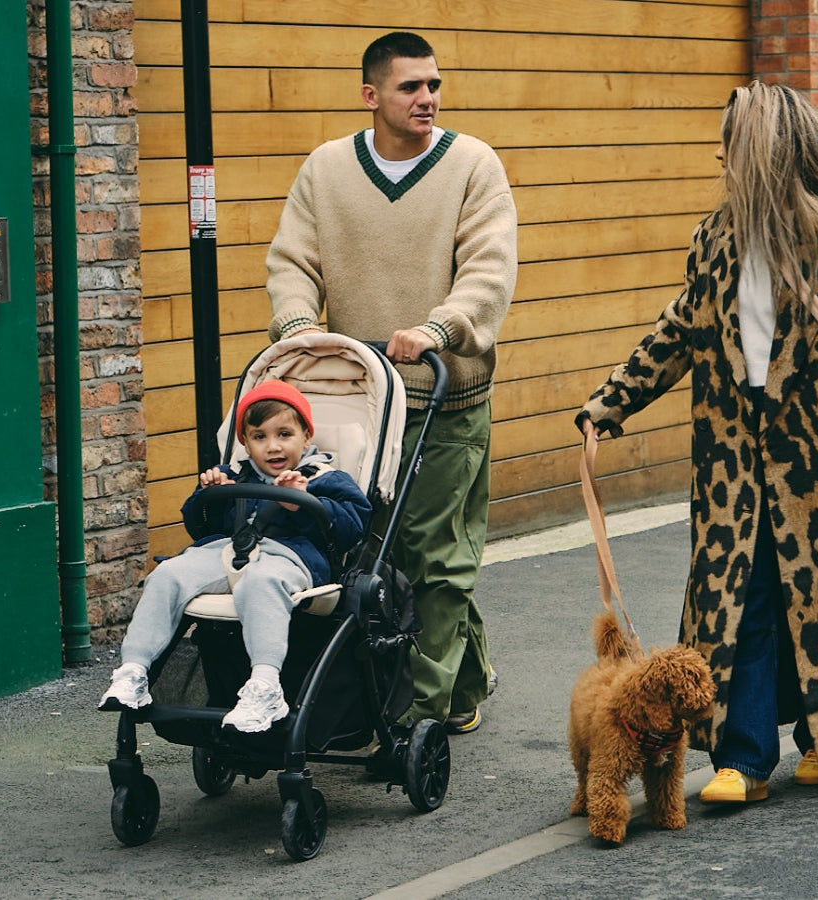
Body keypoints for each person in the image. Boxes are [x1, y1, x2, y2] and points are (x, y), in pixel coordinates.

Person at [576, 82, 818, 802]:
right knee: (738, 600)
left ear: (762, 150)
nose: (717, 152)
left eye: (728, 140)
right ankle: (742, 760)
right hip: (733, 456)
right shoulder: (714, 237)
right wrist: (609, 404)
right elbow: (681, 330)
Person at [263, 32, 518, 735]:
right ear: (372, 95)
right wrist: (293, 325)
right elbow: (293, 259)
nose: (427, 98)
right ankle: (464, 679)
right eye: (411, 87)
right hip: (364, 402)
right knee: (367, 550)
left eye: (433, 85)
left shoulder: (472, 165)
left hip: (445, 395)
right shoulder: (327, 170)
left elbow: (489, 273)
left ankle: (423, 714)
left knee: (436, 557)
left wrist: (439, 328)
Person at [99, 380, 372, 733]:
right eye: (259, 437)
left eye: (284, 434)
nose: (273, 446)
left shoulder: (325, 478)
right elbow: (200, 528)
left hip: (293, 559)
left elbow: (353, 526)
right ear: (244, 441)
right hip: (230, 551)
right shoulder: (235, 475)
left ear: (307, 436)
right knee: (169, 574)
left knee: (260, 583)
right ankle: (134, 670)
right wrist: (210, 497)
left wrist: (302, 504)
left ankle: (265, 684)